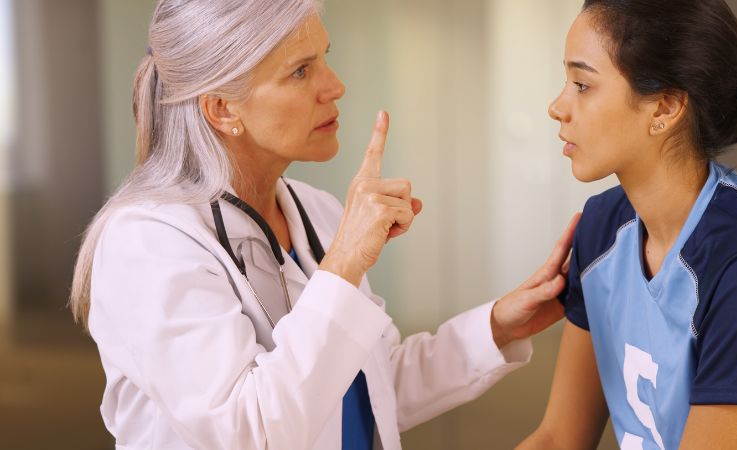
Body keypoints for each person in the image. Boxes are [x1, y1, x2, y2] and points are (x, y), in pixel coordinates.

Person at [69, 1, 576, 448]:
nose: (334, 86)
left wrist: (495, 328)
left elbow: (364, 389)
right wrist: (344, 264)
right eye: (300, 72)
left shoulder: (316, 211)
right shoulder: (146, 243)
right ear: (222, 108)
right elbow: (250, 432)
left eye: (325, 58)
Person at [519, 1, 737, 449]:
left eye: (582, 84)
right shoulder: (600, 229)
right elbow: (557, 439)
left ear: (664, 107)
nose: (557, 106)